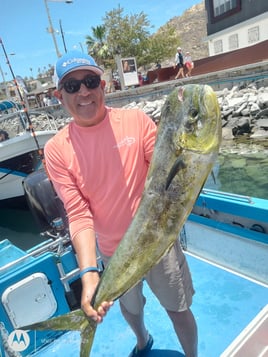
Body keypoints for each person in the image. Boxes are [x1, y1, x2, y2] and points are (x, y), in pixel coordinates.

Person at [44, 50, 198, 357]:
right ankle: (143, 342)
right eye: (72, 86)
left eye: (90, 81)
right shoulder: (56, 150)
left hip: (158, 245)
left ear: (103, 85)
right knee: (132, 310)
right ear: (60, 96)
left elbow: (168, 176)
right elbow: (78, 213)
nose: (84, 92)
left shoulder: (136, 121)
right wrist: (89, 274)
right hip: (113, 253)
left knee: (178, 309)